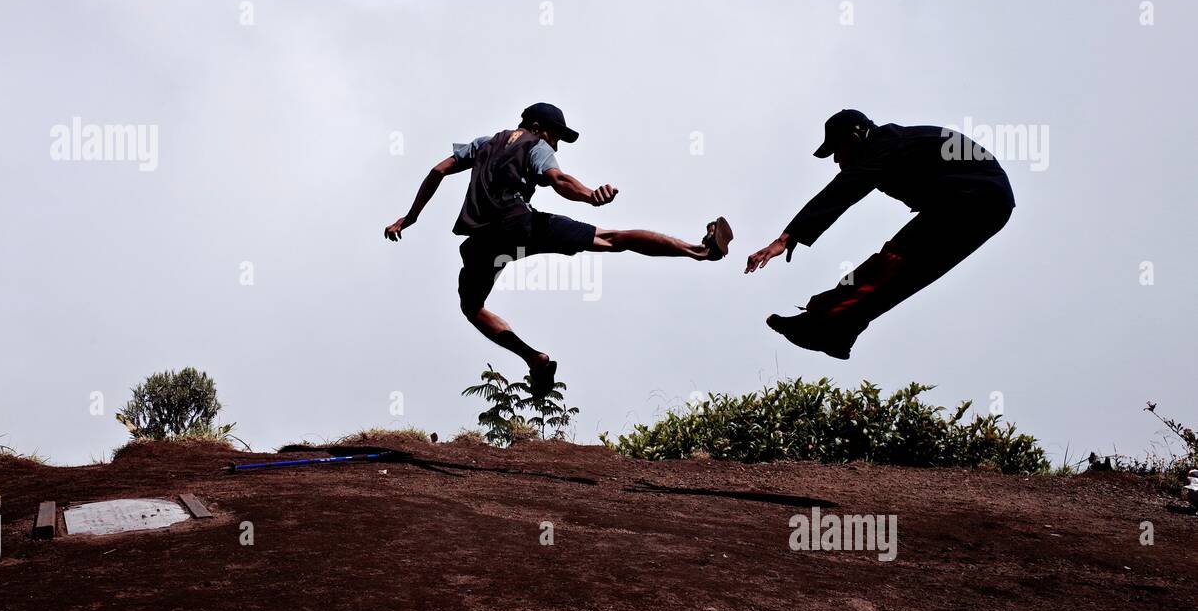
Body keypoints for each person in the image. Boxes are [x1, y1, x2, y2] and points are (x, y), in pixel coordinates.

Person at [385, 102, 733, 395]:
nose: (557, 146)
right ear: (538, 127)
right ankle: (699, 251)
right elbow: (558, 180)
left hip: (484, 241)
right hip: (521, 225)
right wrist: (590, 196)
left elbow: (437, 170)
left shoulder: (483, 143)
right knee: (612, 239)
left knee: (472, 306)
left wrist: (409, 217)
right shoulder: (536, 143)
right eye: (556, 136)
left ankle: (533, 359)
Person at [745, 109, 1015, 359]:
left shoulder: (882, 144)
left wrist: (786, 238)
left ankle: (823, 323)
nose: (837, 160)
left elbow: (841, 191)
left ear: (855, 137)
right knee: (905, 275)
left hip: (972, 198)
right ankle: (839, 332)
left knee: (892, 261)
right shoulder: (890, 144)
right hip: (987, 206)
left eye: (837, 150)